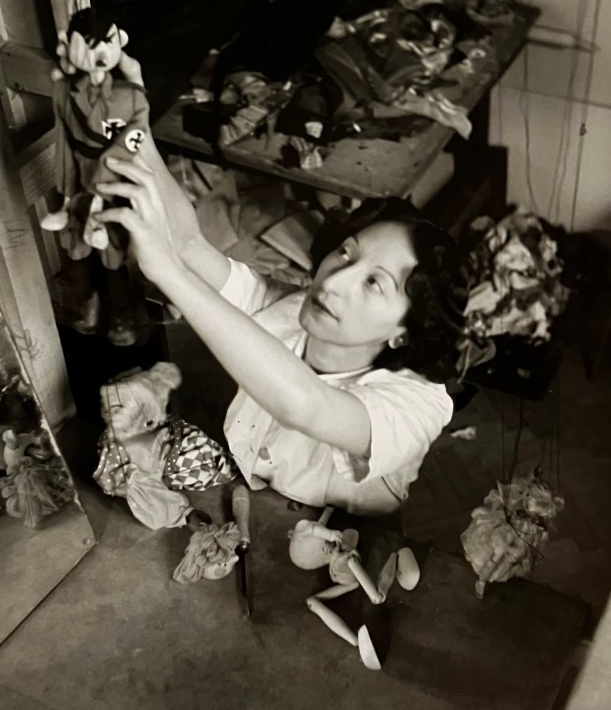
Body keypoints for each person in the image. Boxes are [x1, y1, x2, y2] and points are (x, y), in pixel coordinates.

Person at [94, 52, 464, 517]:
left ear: (403, 333)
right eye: (346, 252)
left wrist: (166, 271)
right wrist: (135, 128)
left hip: (342, 537)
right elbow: (189, 244)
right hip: (257, 500)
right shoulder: (288, 307)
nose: (335, 279)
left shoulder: (420, 405)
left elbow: (306, 405)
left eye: (375, 283)